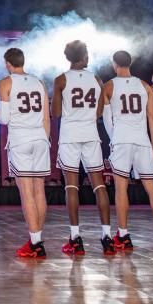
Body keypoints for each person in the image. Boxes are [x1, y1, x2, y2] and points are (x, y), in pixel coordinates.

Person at [98, 51, 153, 253]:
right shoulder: (145, 86)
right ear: (130, 63)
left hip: (122, 140)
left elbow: (106, 120)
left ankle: (123, 235)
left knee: (121, 189)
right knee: (152, 188)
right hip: (143, 141)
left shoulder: (109, 86)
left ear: (115, 64)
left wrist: (114, 139)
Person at [52, 41, 114, 256]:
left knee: (71, 187)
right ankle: (107, 236)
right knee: (99, 187)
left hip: (70, 134)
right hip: (90, 134)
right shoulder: (96, 79)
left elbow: (56, 113)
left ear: (68, 57)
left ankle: (76, 238)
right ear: (85, 57)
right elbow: (99, 112)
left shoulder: (61, 80)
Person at [0, 47, 50, 259]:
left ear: (8, 63)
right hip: (40, 138)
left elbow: (6, 119)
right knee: (39, 192)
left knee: (27, 192)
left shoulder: (6, 82)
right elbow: (46, 118)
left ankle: (36, 243)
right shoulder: (39, 82)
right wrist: (44, 139)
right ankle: (37, 238)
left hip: (20, 139)